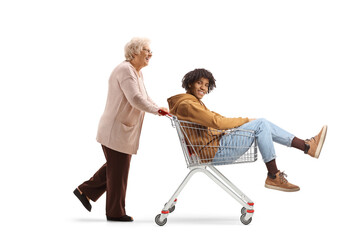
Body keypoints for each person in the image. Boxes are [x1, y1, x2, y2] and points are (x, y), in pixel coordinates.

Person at [167, 68, 327, 192]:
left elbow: (217, 117)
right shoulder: (188, 104)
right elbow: (217, 122)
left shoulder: (192, 103)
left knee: (261, 123)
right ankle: (275, 173)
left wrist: (245, 122)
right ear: (190, 83)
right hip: (216, 151)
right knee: (261, 124)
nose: (203, 87)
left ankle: (306, 147)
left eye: (206, 85)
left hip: (216, 146)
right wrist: (246, 120)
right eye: (199, 83)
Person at [73, 37, 168, 221]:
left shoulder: (137, 72)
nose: (150, 54)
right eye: (146, 50)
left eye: (150, 51)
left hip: (122, 130)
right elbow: (135, 99)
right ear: (134, 53)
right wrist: (157, 111)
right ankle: (115, 213)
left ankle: (84, 191)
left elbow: (145, 97)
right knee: (119, 172)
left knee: (115, 168)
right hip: (115, 130)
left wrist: (160, 108)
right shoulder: (126, 70)